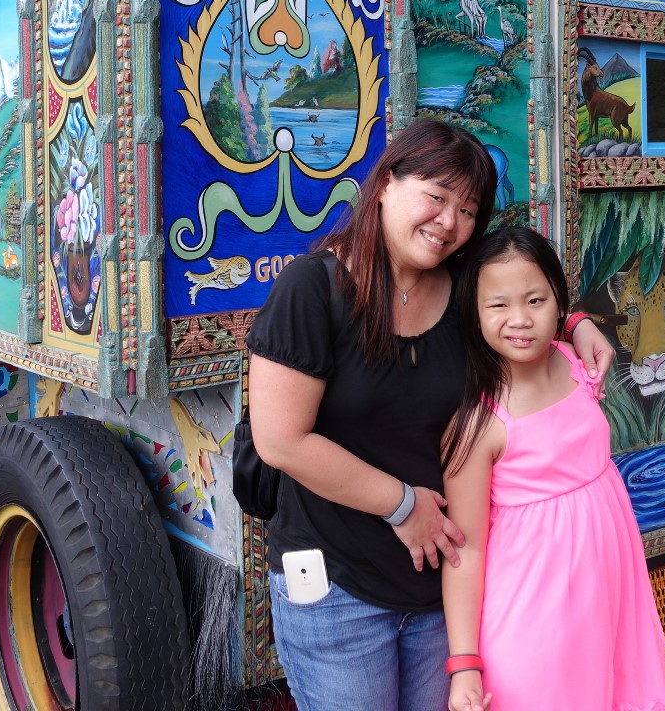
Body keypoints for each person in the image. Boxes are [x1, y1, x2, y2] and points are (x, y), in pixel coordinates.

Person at [247, 121, 617, 711]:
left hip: (441, 587)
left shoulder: (463, 287)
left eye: (467, 210)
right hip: (338, 586)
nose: (449, 221)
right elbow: (280, 440)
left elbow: (526, 294)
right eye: (436, 196)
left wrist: (577, 324)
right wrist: (402, 505)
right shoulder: (312, 290)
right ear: (386, 184)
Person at [441, 227, 665, 711]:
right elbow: (465, 548)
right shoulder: (479, 423)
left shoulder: (576, 363)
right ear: (474, 312)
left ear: (559, 304)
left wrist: (581, 326)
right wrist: (464, 664)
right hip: (535, 619)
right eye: (498, 305)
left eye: (535, 300)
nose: (520, 319)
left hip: (608, 599)